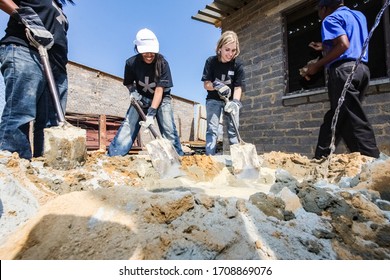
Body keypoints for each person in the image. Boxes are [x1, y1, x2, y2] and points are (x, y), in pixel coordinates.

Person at [302, 0, 380, 159]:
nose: (319, 15)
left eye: (319, 11)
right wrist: (324, 46)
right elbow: (352, 41)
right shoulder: (359, 16)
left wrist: (317, 65)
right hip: (362, 70)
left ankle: (372, 160)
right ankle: (321, 158)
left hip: (344, 72)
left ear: (325, 8)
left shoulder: (330, 19)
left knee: (353, 117)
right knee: (337, 117)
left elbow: (344, 45)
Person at [0, 0, 74, 159]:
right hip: (26, 51)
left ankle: (46, 164)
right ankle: (14, 165)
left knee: (51, 122)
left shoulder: (58, 6)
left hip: (55, 65)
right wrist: (23, 16)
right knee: (21, 112)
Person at [108, 28, 184, 157]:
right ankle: (114, 155)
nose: (149, 55)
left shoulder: (162, 64)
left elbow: (160, 90)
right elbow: (128, 82)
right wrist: (132, 92)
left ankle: (177, 157)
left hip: (162, 98)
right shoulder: (131, 63)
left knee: (168, 128)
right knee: (129, 125)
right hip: (141, 97)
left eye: (152, 53)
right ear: (138, 49)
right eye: (145, 53)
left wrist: (151, 113)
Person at [201, 30, 245, 156]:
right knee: (212, 130)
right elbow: (206, 84)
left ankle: (237, 159)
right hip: (213, 100)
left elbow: (238, 87)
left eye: (233, 50)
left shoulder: (238, 65)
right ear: (219, 48)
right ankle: (210, 158)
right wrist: (216, 85)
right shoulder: (211, 62)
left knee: (233, 130)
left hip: (230, 101)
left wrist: (235, 103)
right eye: (227, 49)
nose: (230, 54)